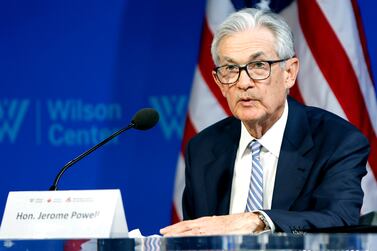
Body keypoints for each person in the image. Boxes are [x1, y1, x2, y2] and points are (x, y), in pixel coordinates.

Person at [160, 8, 370, 236]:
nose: (243, 83)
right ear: (219, 82)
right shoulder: (203, 148)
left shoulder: (337, 141)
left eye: (258, 66)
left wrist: (259, 220)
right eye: (230, 69)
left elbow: (339, 219)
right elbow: (196, 235)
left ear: (289, 72)